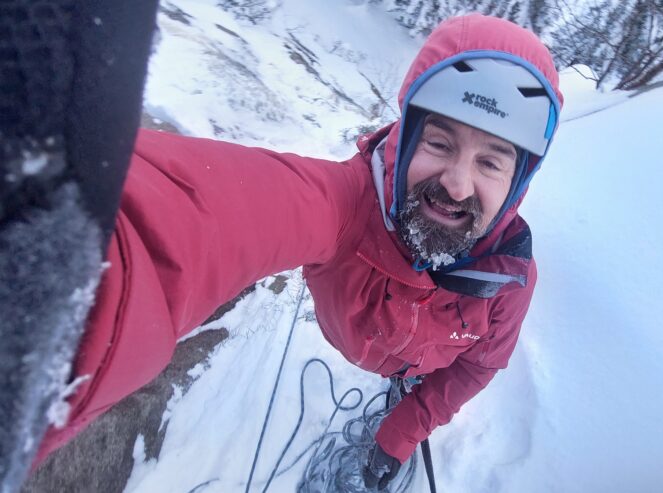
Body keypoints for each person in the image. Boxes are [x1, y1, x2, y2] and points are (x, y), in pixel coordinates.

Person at [23, 10, 563, 490]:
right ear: (405, 139)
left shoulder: (508, 279)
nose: (457, 184)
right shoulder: (344, 204)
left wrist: (400, 433)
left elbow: (476, 367)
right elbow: (200, 216)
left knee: (420, 385)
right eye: (439, 142)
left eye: (491, 162)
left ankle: (405, 387)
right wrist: (59, 236)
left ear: (518, 183)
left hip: (420, 366)